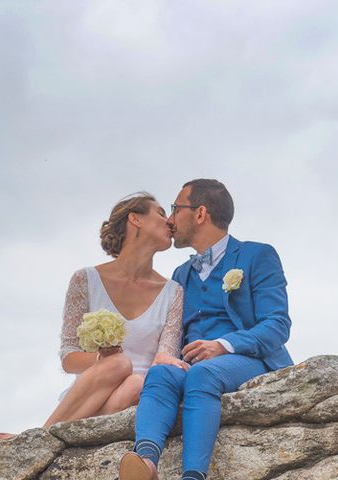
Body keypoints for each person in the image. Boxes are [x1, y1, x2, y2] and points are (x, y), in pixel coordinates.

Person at [118, 179, 293, 480]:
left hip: (250, 358)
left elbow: (277, 324)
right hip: (193, 363)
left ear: (200, 214)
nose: (170, 219)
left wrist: (223, 344)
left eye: (175, 209)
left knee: (203, 374)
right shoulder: (181, 274)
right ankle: (145, 463)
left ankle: (194, 476)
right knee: (160, 374)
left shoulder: (257, 256)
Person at [0, 193, 183, 441]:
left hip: (138, 396)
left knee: (134, 383)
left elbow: (165, 359)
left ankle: (36, 440)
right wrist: (101, 358)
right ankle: (43, 439)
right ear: (135, 219)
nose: (169, 220)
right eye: (160, 213)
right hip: (90, 395)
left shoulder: (174, 292)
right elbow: (69, 358)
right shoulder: (84, 280)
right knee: (117, 363)